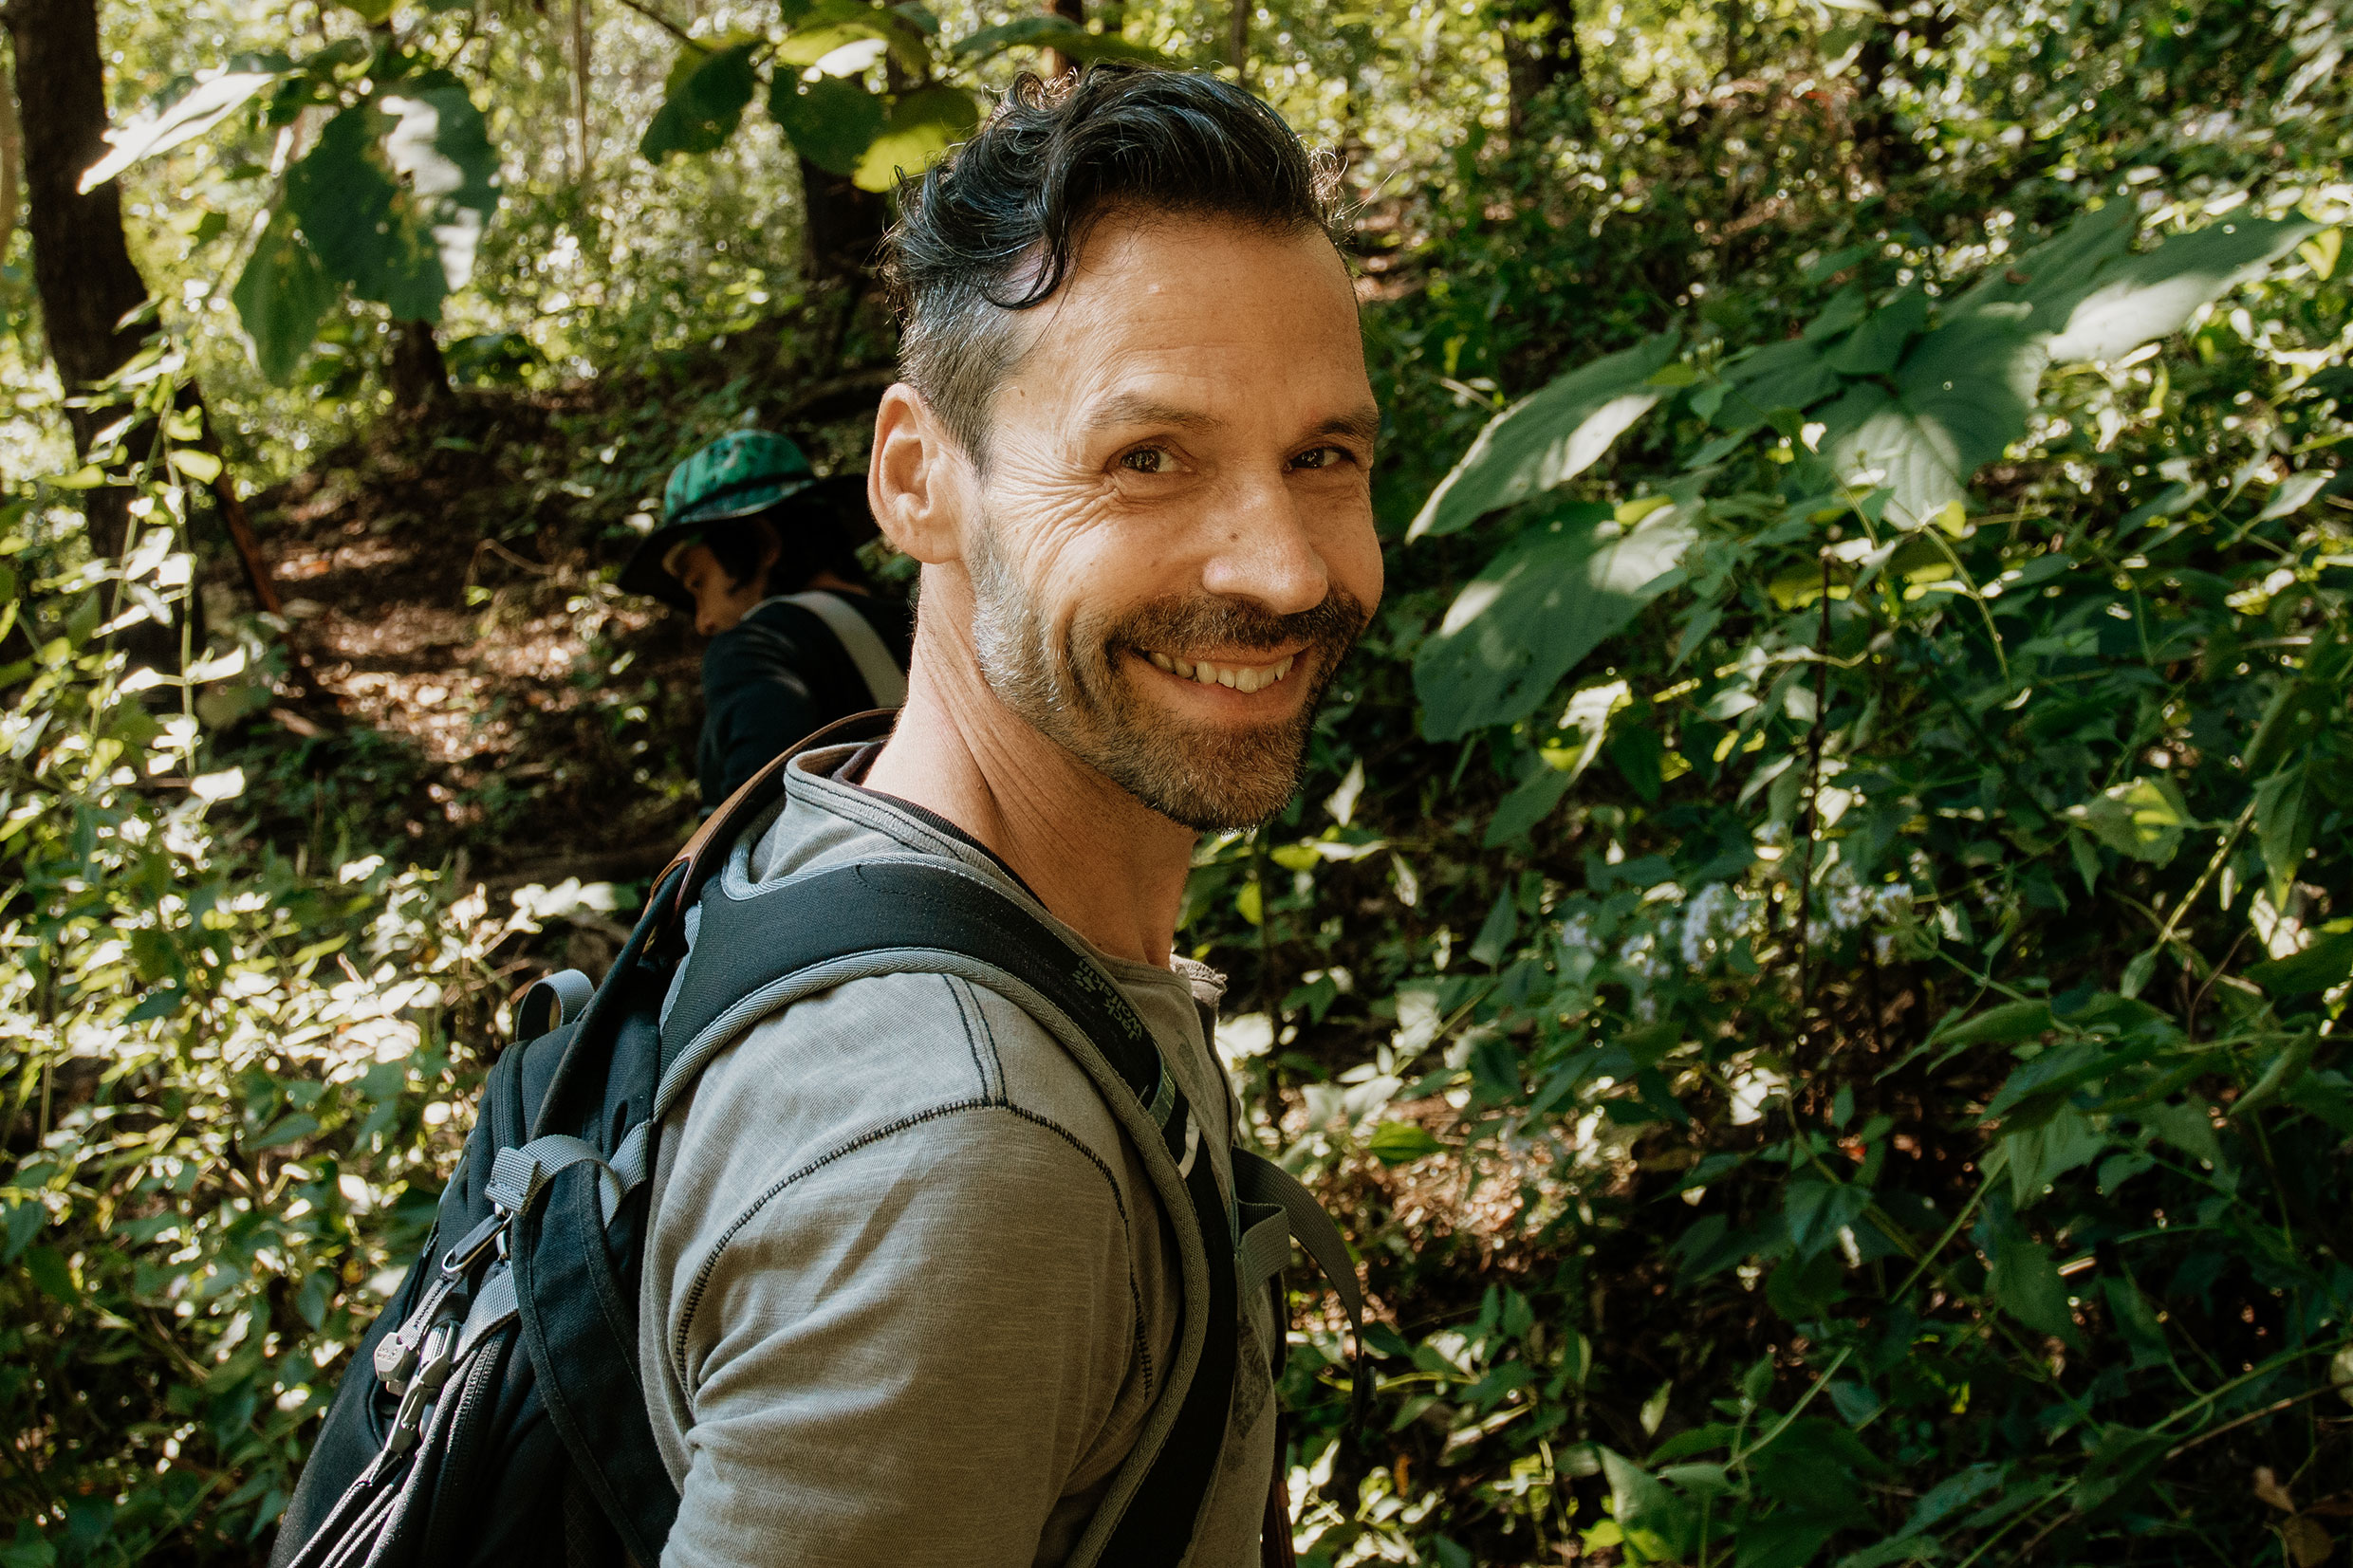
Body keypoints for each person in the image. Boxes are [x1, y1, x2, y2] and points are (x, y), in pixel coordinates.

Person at [639, 65, 1382, 1567]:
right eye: (1148, 459)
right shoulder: (961, 1156)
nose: (1289, 569)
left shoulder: (842, 837)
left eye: (1324, 457)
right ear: (921, 480)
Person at [618, 428, 912, 804]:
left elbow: (762, 835)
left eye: (698, 582)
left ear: (760, 544)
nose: (703, 621)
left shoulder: (756, 648)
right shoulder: (928, 628)